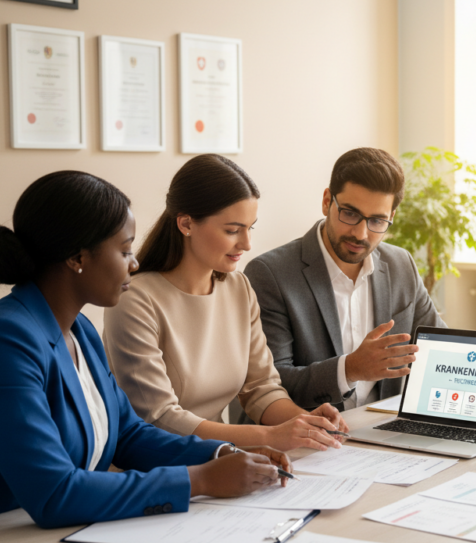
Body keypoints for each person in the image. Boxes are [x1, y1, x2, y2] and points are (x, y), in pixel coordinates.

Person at [0, 171, 289, 529]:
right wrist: (201, 480)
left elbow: (128, 434)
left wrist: (222, 454)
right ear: (77, 257)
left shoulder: (78, 329)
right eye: (125, 250)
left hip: (57, 532)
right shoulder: (4, 342)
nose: (135, 263)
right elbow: (53, 493)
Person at [104, 154, 348, 454]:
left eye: (250, 228)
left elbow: (261, 388)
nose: (246, 244)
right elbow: (160, 417)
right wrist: (269, 438)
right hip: (160, 466)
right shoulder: (135, 299)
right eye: (233, 230)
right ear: (185, 224)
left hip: (226, 459)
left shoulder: (238, 288)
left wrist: (305, 422)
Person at [245, 147, 445, 411]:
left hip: (383, 428)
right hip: (308, 437)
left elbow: (440, 346)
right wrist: (349, 369)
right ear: (327, 201)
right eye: (350, 214)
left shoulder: (401, 265)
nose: (361, 233)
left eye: (377, 221)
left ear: (392, 217)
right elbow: (270, 385)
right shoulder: (270, 274)